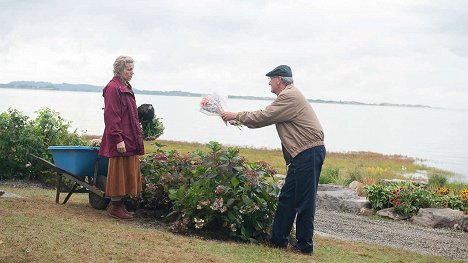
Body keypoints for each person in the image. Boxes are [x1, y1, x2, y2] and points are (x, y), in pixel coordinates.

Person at [221, 65, 326, 254]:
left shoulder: (289, 96)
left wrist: (237, 115)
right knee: (287, 199)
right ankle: (278, 241)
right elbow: (265, 118)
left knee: (304, 201)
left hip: (308, 152)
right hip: (301, 154)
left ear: (279, 79)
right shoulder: (287, 97)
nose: (268, 82)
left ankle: (304, 247)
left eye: (270, 79)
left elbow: (265, 116)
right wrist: (238, 120)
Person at [98, 55, 144, 220]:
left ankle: (121, 205)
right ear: (119, 70)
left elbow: (128, 114)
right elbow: (111, 116)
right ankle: (115, 207)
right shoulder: (113, 88)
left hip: (130, 136)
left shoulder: (125, 86)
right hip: (121, 138)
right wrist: (118, 139)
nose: (132, 73)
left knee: (128, 172)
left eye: (132, 69)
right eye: (129, 69)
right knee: (118, 172)